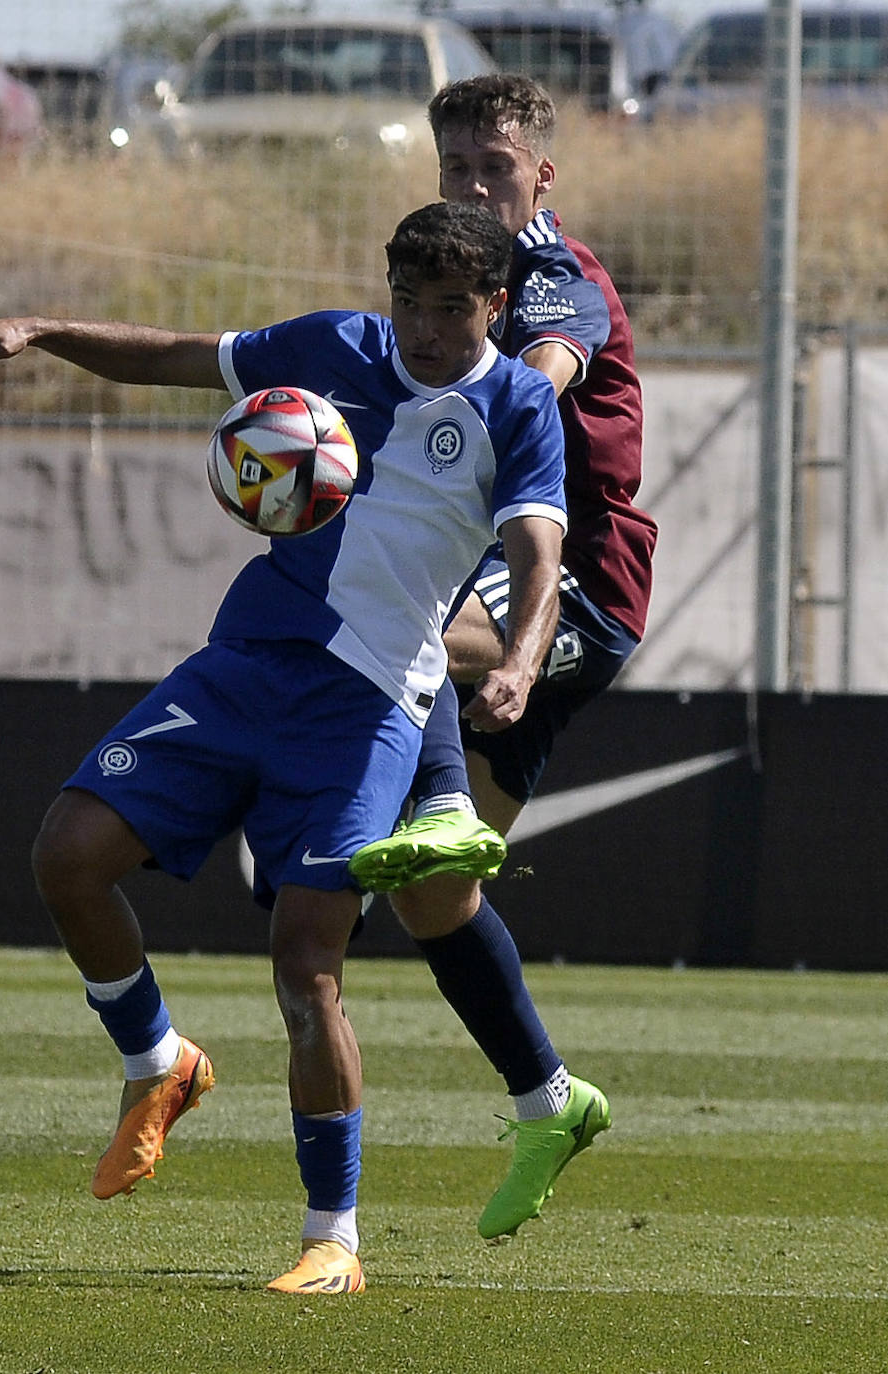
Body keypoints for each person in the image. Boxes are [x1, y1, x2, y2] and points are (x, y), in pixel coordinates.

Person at [0, 201, 569, 1295]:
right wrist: (39, 330)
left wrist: (518, 659)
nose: (425, 330)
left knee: (306, 965)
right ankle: (159, 1062)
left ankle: (334, 1239)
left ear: (497, 306)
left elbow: (537, 548)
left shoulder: (516, 403)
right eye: (410, 305)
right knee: (69, 852)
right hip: (243, 666)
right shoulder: (336, 347)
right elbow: (184, 359)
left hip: (369, 703)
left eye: (452, 309)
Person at [349, 74, 658, 1241]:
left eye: (495, 167)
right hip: (499, 584)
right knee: (438, 898)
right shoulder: (445, 287)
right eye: (456, 169)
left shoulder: (552, 282)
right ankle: (550, 1099)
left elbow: (542, 377)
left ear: (541, 177)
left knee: (398, 616)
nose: (475, 186)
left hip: (581, 587)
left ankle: (352, 805)